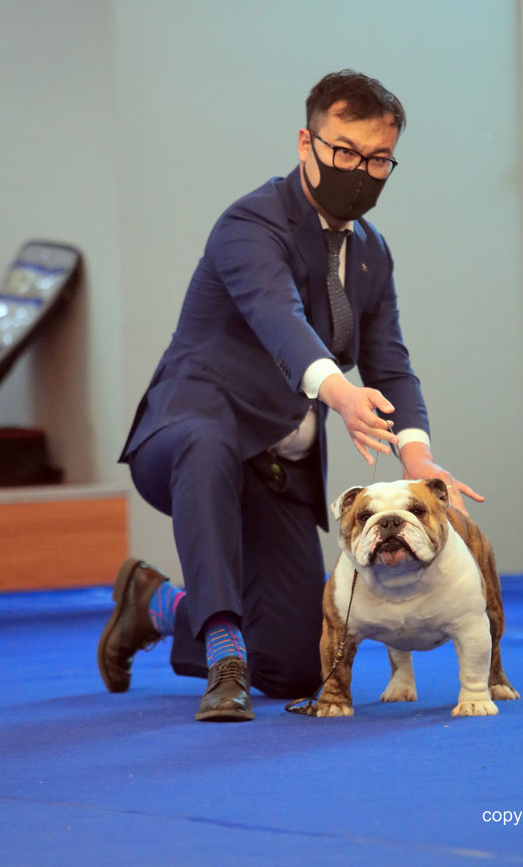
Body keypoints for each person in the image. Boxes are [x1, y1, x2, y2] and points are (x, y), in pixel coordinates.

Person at [97, 70, 483, 722]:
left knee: (298, 665)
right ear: (306, 143)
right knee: (206, 441)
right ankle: (223, 654)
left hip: (275, 470)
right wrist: (340, 394)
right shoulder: (250, 223)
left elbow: (391, 365)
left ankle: (156, 604)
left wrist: (418, 458)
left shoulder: (372, 253)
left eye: (379, 159)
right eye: (344, 151)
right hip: (185, 438)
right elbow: (280, 319)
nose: (360, 170)